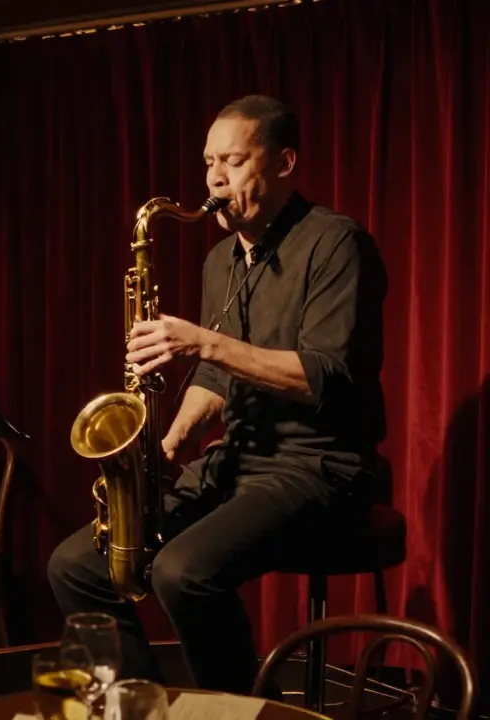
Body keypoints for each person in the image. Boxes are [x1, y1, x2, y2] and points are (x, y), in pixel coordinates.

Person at [47, 94, 387, 696]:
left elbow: (324, 376)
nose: (214, 179)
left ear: (284, 164)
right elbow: (214, 379)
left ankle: (237, 712)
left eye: (232, 160)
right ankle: (145, 707)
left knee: (183, 571)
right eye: (209, 162)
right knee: (76, 566)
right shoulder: (218, 262)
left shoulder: (337, 244)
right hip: (237, 459)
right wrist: (168, 445)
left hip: (320, 464)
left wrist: (202, 343)